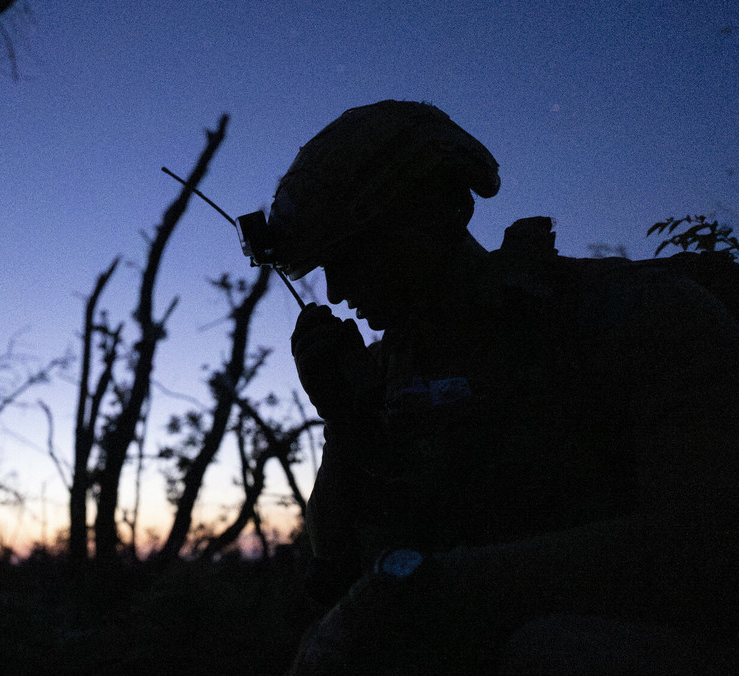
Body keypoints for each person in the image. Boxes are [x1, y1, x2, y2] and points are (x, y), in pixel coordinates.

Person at [261, 101, 739, 674]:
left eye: (357, 253)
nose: (337, 292)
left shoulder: (634, 314)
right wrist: (345, 422)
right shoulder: (385, 372)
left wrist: (436, 585)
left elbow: (706, 543)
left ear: (441, 211)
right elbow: (332, 571)